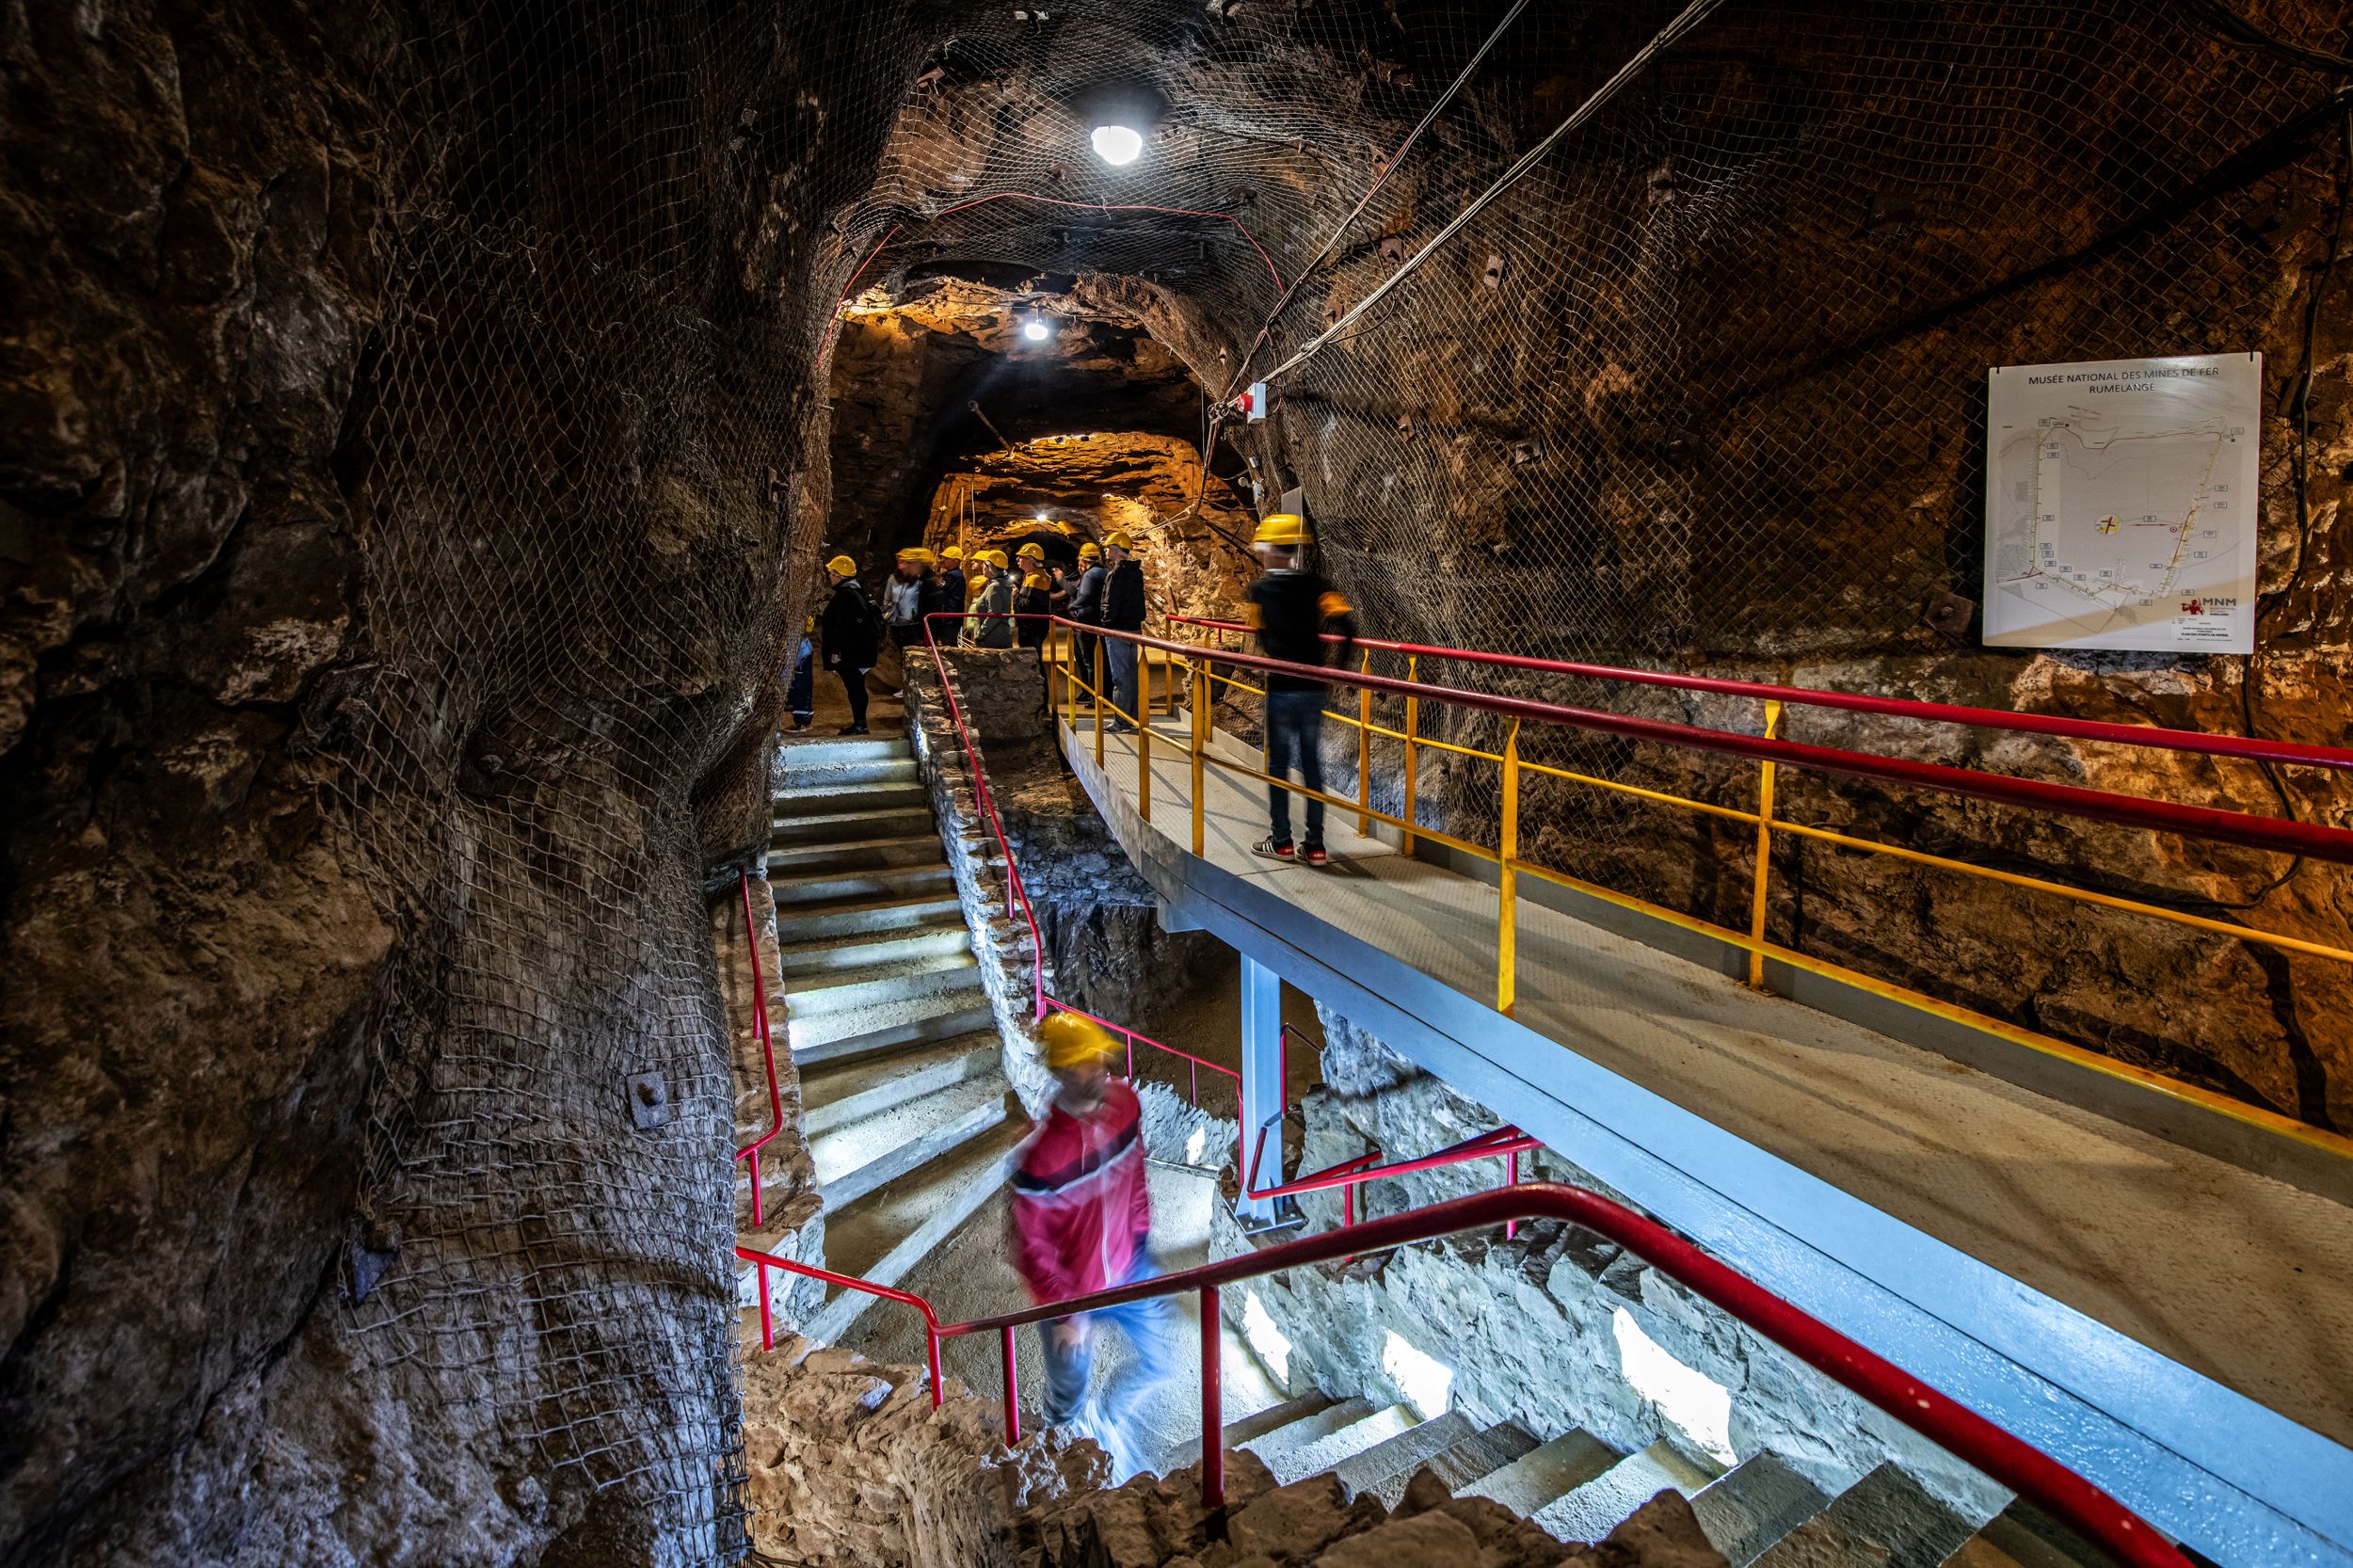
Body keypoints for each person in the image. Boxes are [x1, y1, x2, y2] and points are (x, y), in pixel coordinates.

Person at [1009, 1012, 1173, 1482]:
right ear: (1061, 1072)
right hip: (1074, 1297)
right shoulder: (1042, 1160)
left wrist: (1140, 1238)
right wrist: (1067, 1314)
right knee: (1065, 1400)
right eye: (1086, 1062)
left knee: (1159, 1363)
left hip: (1128, 1266)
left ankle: (1107, 1420)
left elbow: (1136, 1173)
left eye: (1100, 1057)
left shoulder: (1126, 1104)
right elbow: (1034, 1252)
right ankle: (1065, 1470)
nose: (1101, 1067)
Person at [1243, 513, 1355, 866]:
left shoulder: (1259, 590)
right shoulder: (1319, 585)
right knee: (1311, 764)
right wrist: (1335, 671)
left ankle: (1281, 842)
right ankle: (1316, 846)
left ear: (1271, 552)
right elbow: (1347, 628)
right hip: (1312, 687)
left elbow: (1259, 635)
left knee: (1278, 764)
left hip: (1280, 687)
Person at [819, 553, 880, 735]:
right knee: (856, 686)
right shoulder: (856, 591)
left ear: (839, 575)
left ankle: (860, 724)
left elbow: (843, 626)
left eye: (831, 574)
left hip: (850, 652)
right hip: (857, 650)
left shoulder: (847, 595)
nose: (830, 577)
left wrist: (836, 651)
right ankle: (860, 723)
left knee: (855, 687)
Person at [1099, 531, 1147, 733]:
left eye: (1109, 547)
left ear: (1117, 550)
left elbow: (1111, 603)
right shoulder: (1136, 572)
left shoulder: (1116, 574)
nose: (1107, 551)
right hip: (1134, 629)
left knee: (1120, 677)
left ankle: (1121, 721)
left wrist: (1104, 623)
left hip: (1118, 631)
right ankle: (1134, 717)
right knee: (1132, 675)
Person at [1016, 543, 1056, 712]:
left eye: (1021, 557)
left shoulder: (1037, 578)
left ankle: (1041, 704)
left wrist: (1015, 595)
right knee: (1033, 663)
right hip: (1031, 628)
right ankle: (1038, 703)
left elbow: (1028, 605)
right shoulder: (1032, 576)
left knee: (1035, 664)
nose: (1018, 560)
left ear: (1030, 560)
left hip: (1032, 629)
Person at [1068, 540, 1105, 707]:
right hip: (1101, 622)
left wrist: (1072, 606)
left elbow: (1085, 596)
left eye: (1079, 562)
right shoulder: (1104, 571)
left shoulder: (1090, 575)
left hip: (1088, 623)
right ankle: (1102, 694)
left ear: (1084, 561)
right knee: (1101, 660)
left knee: (1089, 660)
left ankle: (1094, 696)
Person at [884, 546, 937, 651]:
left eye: (906, 563)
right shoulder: (923, 579)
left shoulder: (927, 582)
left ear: (917, 563)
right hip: (910, 628)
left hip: (920, 632)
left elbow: (930, 610)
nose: (902, 567)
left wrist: (922, 636)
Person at [964, 549, 1016, 648]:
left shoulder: (995, 587)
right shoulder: (1003, 583)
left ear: (989, 567)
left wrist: (980, 634)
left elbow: (994, 615)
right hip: (1000, 636)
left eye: (984, 564)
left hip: (991, 639)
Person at [784, 611, 816, 732]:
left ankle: (801, 724)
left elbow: (792, 660)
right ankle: (805, 722)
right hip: (801, 672)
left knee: (799, 694)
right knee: (803, 694)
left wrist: (785, 673)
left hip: (798, 672)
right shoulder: (804, 641)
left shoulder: (800, 642)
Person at [938, 545, 968, 620]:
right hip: (953, 616)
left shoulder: (953, 575)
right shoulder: (955, 574)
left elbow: (941, 592)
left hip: (949, 617)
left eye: (946, 558)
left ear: (956, 561)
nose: (943, 560)